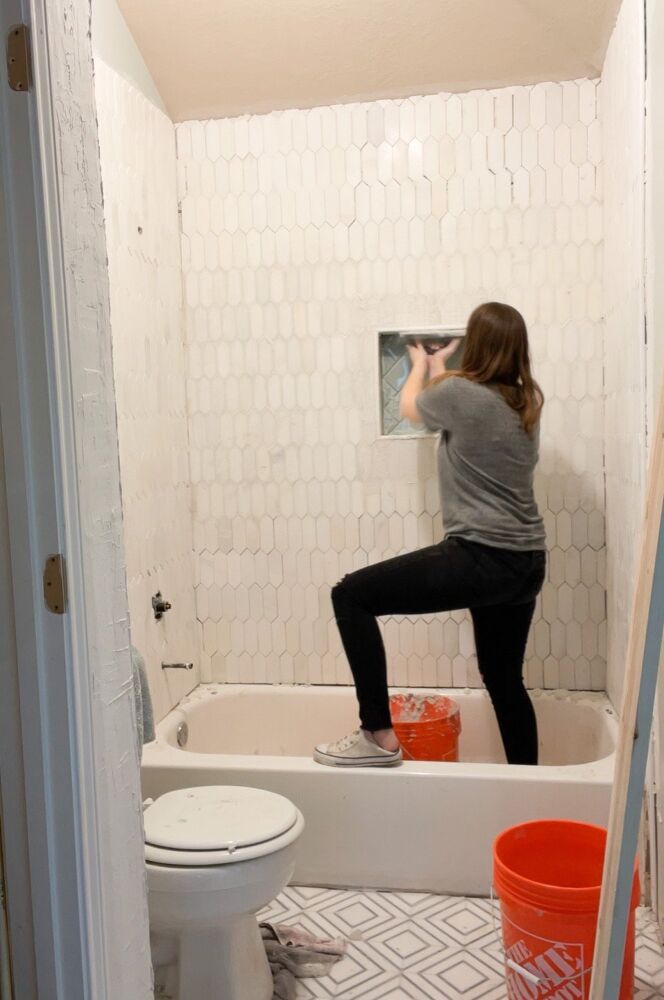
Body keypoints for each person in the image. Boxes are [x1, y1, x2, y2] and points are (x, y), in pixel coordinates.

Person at [314, 302, 546, 768]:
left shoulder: (461, 394)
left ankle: (376, 733)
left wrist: (421, 362)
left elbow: (410, 406)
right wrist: (442, 366)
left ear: (477, 344)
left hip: (481, 554)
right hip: (527, 562)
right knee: (504, 680)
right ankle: (528, 777)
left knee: (351, 596)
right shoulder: (526, 404)